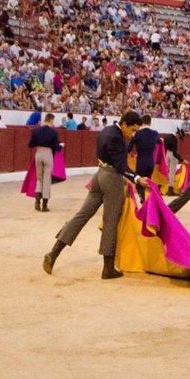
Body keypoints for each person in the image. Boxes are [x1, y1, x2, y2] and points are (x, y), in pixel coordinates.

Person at [44, 110, 143, 280]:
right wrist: (137, 178)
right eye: (132, 130)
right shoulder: (117, 138)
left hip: (99, 175)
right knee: (111, 221)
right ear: (125, 124)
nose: (132, 134)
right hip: (111, 179)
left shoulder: (107, 131)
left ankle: (53, 254)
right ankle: (108, 268)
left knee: (81, 215)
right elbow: (121, 167)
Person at [28, 112, 62, 212]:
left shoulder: (36, 131)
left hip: (38, 153)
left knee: (39, 179)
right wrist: (60, 146)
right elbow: (56, 147)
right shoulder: (54, 132)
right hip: (48, 154)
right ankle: (45, 206)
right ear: (51, 120)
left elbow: (30, 144)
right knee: (47, 179)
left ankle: (37, 203)